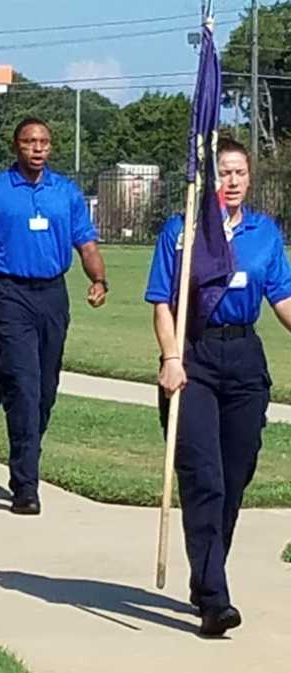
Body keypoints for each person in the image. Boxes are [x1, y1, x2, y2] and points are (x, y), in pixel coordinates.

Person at [145, 138, 291, 637]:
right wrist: (170, 359)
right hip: (194, 358)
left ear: (249, 180)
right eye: (223, 173)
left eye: (239, 174)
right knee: (203, 477)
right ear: (208, 179)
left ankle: (207, 570)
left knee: (234, 476)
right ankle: (215, 598)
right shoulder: (181, 231)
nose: (231, 182)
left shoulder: (264, 233)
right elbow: (163, 302)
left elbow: (284, 298)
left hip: (245, 360)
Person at [0, 117, 108, 515]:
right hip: (10, 295)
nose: (37, 148)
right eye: (29, 142)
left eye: (43, 141)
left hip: (52, 296)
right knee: (22, 388)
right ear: (16, 146)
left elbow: (87, 242)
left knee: (44, 392)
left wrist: (99, 279)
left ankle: (24, 449)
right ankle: (25, 484)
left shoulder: (65, 192)